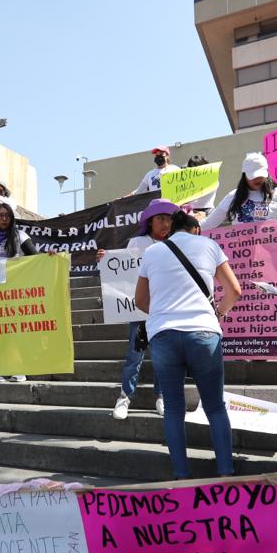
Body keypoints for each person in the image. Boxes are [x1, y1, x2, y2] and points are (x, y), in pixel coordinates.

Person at [134, 210, 242, 479]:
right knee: (215, 406)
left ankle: (181, 475)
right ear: (195, 229)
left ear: (171, 229)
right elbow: (235, 291)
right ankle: (226, 472)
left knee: (173, 408)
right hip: (203, 331)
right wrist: (220, 313)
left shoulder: (153, 253)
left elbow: (140, 301)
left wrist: (161, 314)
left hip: (163, 335)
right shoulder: (209, 245)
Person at [97, 199, 177, 419]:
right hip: (140, 309)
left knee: (164, 356)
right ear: (150, 222)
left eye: (169, 219)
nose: (165, 224)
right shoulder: (137, 242)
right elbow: (122, 269)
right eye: (161, 219)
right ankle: (124, 397)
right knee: (135, 355)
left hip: (166, 310)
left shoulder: (177, 242)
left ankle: (162, 396)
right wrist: (105, 260)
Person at [0, 201, 38, 383]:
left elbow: (35, 259)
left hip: (15, 293)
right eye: (0, 215)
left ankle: (19, 369)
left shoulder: (20, 236)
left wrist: (50, 257)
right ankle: (0, 369)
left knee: (15, 333)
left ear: (12, 218)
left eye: (7, 216)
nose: (4, 219)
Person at [182, 155, 217, 219]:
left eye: (197, 167)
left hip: (207, 211)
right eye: (191, 167)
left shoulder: (212, 179)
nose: (194, 170)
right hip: (190, 211)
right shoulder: (187, 181)